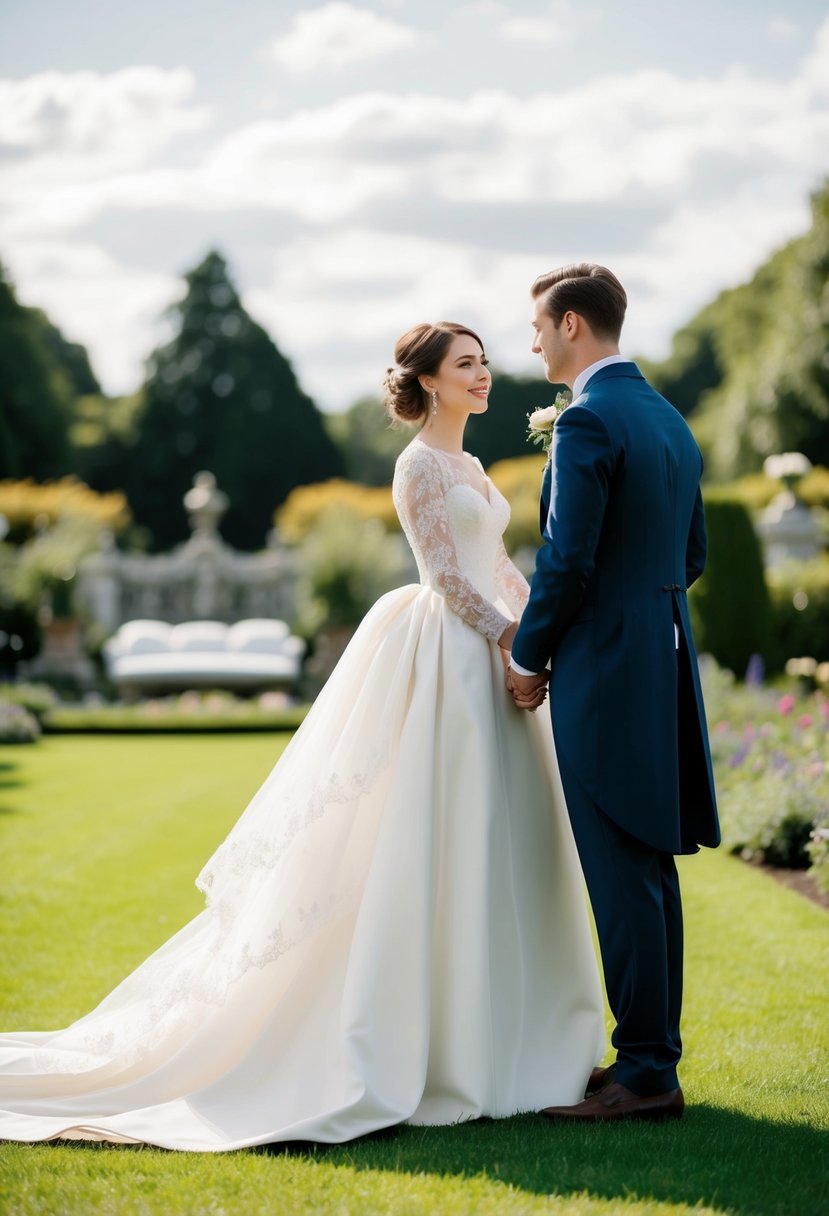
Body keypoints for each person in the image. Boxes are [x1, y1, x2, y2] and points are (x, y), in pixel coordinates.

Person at [0, 321, 605, 1152]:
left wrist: (537, 627)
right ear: (427, 381)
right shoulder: (418, 466)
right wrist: (507, 638)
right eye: (465, 365)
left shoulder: (470, 466)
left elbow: (495, 562)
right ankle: (422, 1042)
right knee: (433, 833)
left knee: (499, 837)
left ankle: (506, 1035)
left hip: (496, 654)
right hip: (445, 662)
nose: (484, 375)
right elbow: (442, 577)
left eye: (484, 362)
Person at [507, 265, 720, 1122]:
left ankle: (641, 1074)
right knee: (648, 867)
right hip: (664, 658)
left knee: (620, 869)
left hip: (605, 670)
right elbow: (692, 553)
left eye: (535, 328)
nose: (529, 344)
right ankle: (650, 1059)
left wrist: (531, 655)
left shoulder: (590, 419)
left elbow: (564, 560)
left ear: (568, 325)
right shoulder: (667, 417)